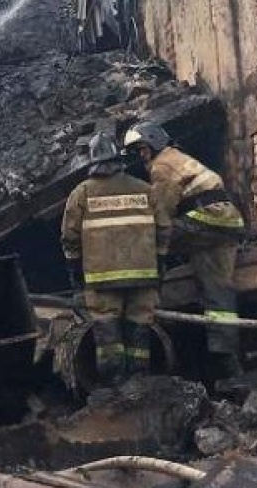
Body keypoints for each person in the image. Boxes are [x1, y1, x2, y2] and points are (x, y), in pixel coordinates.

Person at [123, 121, 247, 379]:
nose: (142, 156)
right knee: (218, 292)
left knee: (151, 237)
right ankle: (227, 362)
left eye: (142, 149)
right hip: (225, 224)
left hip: (206, 221)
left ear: (155, 142)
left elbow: (161, 214)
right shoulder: (178, 158)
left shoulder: (162, 166)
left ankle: (144, 292)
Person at [63, 132, 170, 386]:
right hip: (143, 277)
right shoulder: (145, 191)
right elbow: (164, 229)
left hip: (101, 281)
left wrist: (75, 267)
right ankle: (140, 383)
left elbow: (69, 237)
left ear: (92, 162)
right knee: (139, 328)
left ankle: (114, 386)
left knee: (107, 333)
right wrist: (160, 260)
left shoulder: (82, 194)